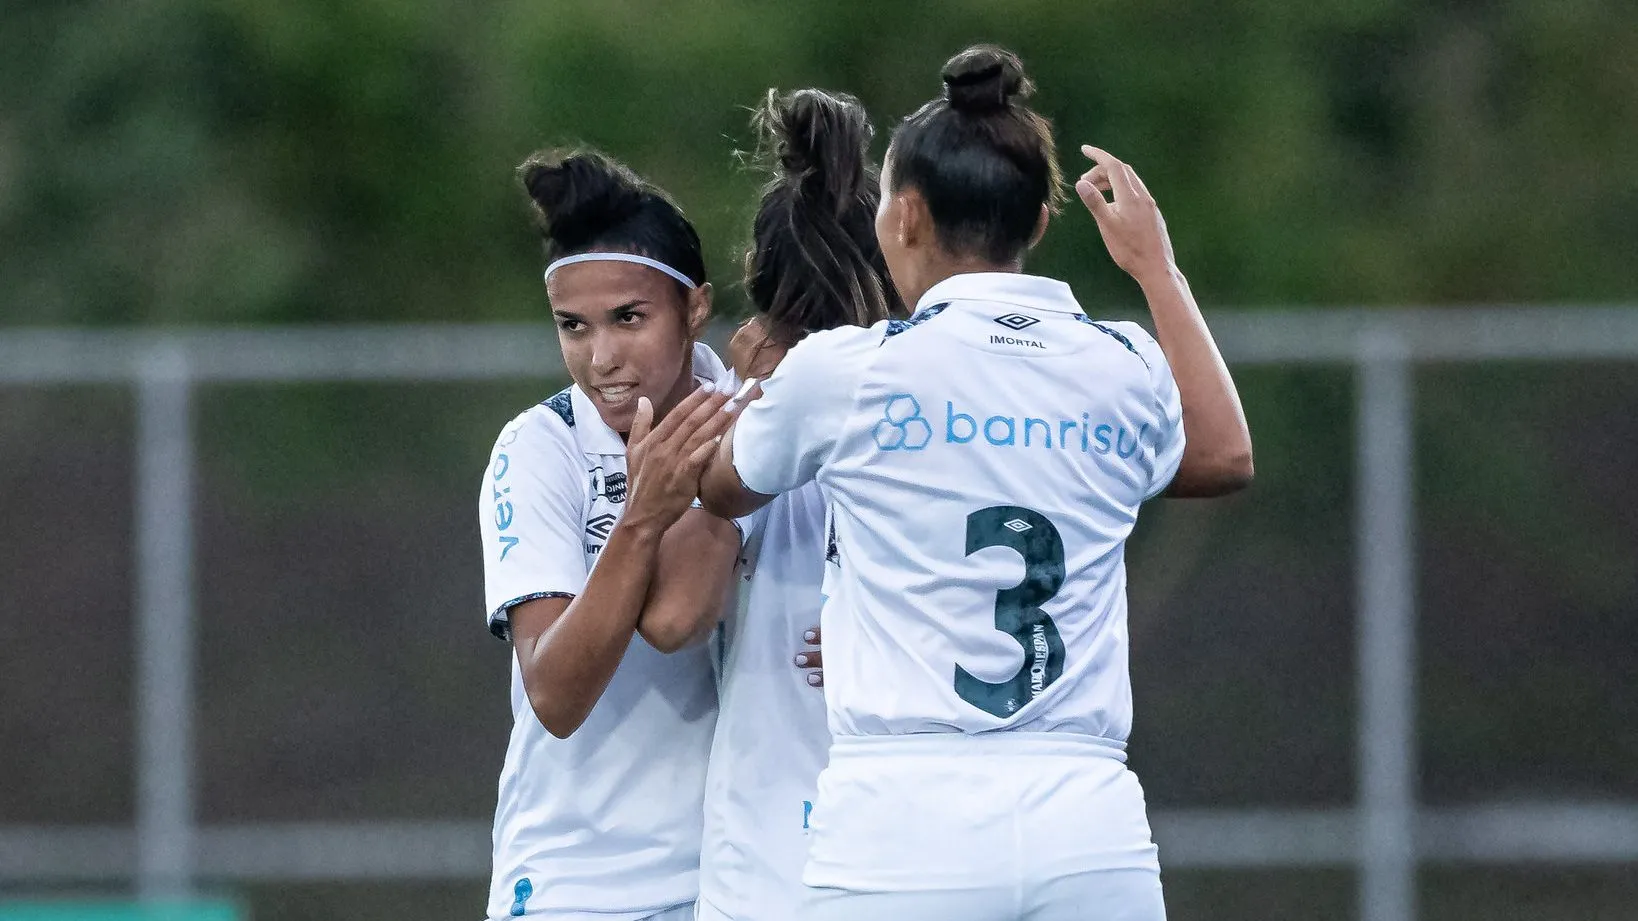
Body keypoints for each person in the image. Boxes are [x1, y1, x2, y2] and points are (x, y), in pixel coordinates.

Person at [697, 45, 1253, 921]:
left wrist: (762, 386)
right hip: (1086, 813)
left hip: (903, 815)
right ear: (1038, 218)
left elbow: (724, 486)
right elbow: (1225, 456)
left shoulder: (849, 372)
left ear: (905, 216)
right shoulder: (1122, 367)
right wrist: (1157, 271)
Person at [477, 148, 748, 921]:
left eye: (629, 318)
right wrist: (643, 515)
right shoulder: (540, 446)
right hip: (581, 881)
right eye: (573, 327)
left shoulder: (762, 419)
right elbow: (555, 693)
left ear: (695, 307)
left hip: (746, 876)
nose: (601, 359)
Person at [693, 88, 902, 921]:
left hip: (770, 844)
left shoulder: (727, 430)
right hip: (933, 840)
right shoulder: (948, 426)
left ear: (761, 290)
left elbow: (674, 614)